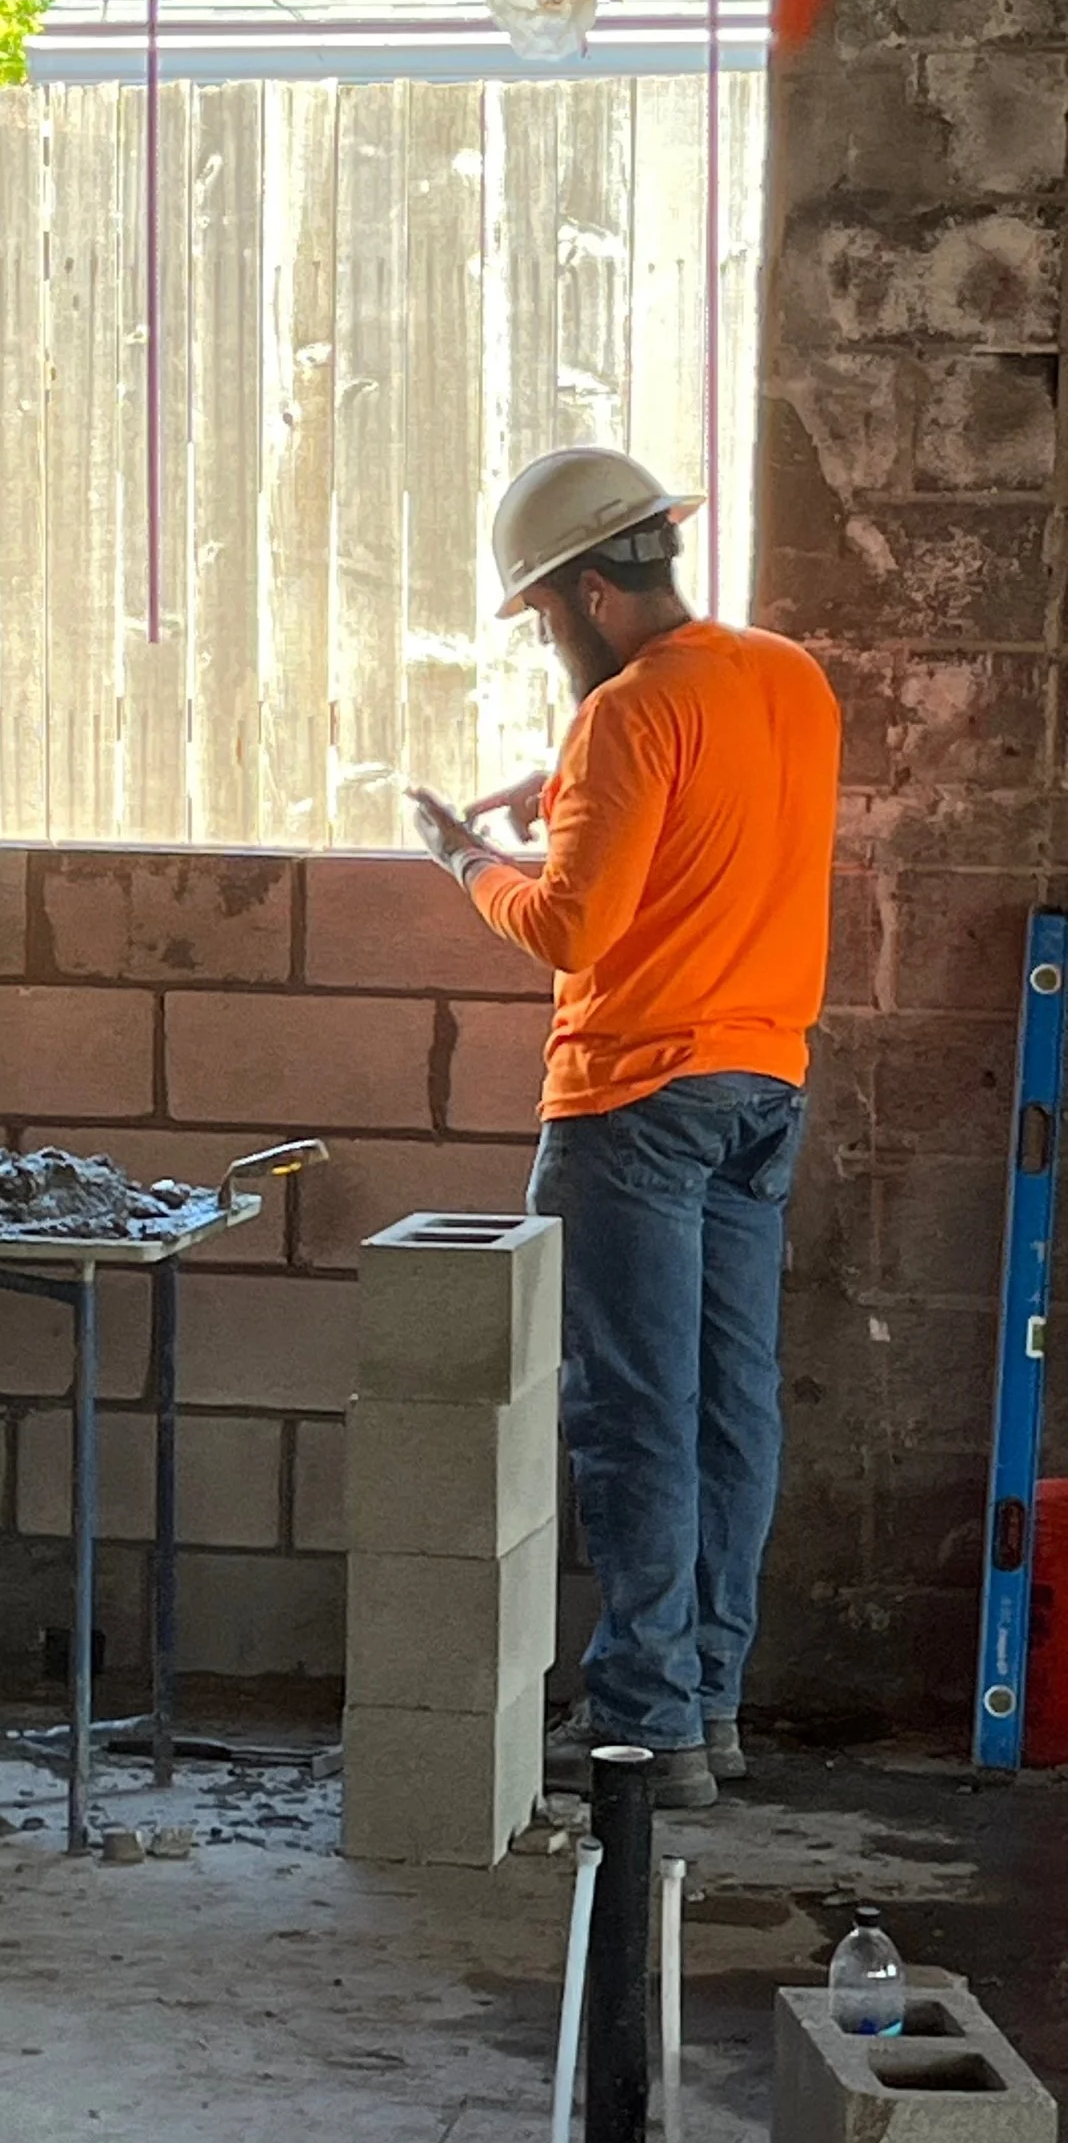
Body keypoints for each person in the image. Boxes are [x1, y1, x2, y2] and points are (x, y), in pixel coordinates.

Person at [406, 446, 842, 1812]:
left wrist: (467, 860)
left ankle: (645, 1722)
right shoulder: (787, 679)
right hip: (763, 1089)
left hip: (636, 1104)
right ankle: (708, 1704)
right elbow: (715, 803)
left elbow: (572, 925)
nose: (547, 639)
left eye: (545, 616)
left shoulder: (629, 717)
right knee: (731, 1407)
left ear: (596, 590)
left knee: (634, 1417)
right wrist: (568, 790)